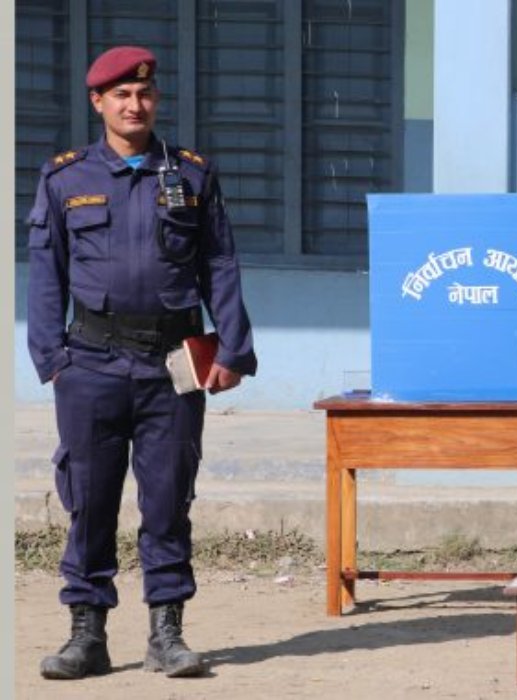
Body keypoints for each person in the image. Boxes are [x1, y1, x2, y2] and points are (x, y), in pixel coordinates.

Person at [27, 45, 258, 680]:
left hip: (172, 365)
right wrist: (52, 358)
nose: (135, 105)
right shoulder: (65, 179)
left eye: (145, 94)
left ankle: (167, 632)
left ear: (156, 99)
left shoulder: (192, 175)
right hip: (91, 365)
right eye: (121, 95)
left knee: (166, 502)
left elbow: (220, 265)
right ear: (97, 102)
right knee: (90, 501)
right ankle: (87, 634)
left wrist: (233, 347)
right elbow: (46, 276)